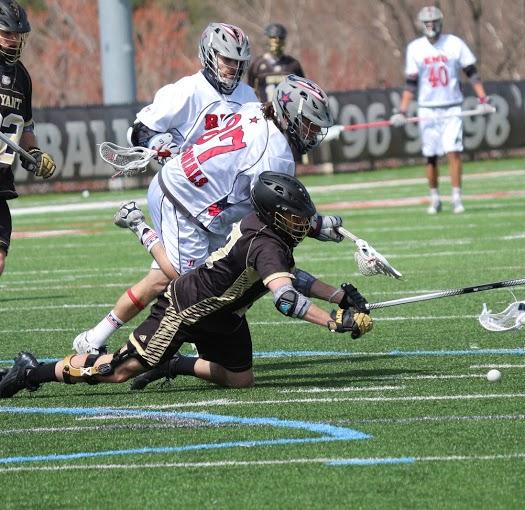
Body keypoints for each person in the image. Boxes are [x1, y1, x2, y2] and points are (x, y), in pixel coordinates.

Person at [0, 172, 373, 398]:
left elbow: (296, 277)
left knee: (240, 380)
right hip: (185, 308)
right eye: (295, 217)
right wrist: (332, 320)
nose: (302, 223)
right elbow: (287, 299)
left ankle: (173, 365)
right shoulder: (266, 244)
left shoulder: (266, 230)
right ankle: (30, 372)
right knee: (118, 371)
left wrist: (341, 296)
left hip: (223, 315)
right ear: (276, 216)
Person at [73, 74, 344, 356]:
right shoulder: (276, 155)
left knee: (162, 280)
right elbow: (275, 210)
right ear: (289, 115)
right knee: (189, 282)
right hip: (185, 203)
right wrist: (315, 226)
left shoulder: (255, 111)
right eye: (310, 125)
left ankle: (93, 338)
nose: (312, 134)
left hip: (201, 203)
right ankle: (139, 227)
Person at [390, 5, 492, 215]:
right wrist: (402, 110)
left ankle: (456, 197)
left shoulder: (454, 43)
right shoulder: (416, 48)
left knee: (454, 152)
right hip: (427, 108)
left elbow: (471, 72)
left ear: (440, 22)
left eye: (434, 22)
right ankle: (435, 197)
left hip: (452, 106)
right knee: (431, 156)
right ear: (422, 25)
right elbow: (410, 83)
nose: (431, 26)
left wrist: (482, 98)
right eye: (427, 23)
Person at [0, 0, 56, 278]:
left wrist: (34, 154)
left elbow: (26, 126)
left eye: (17, 34)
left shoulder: (22, 77)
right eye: (7, 32)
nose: (13, 39)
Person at [246, 23, 304, 103]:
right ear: (267, 39)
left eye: (280, 38)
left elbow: (302, 91)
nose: (277, 40)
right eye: (273, 37)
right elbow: (249, 91)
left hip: (287, 113)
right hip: (264, 112)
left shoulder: (293, 64)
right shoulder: (257, 65)